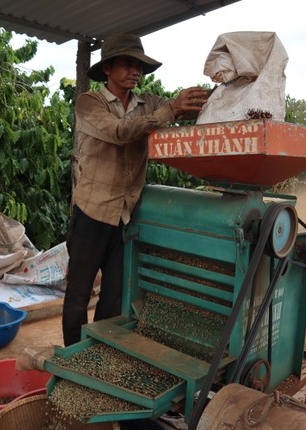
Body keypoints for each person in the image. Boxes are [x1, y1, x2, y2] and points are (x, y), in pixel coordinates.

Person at [62, 33, 209, 346]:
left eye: (139, 65)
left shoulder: (148, 104)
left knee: (113, 297)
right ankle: (72, 356)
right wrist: (171, 111)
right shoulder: (90, 103)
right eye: (128, 64)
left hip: (124, 217)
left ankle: (96, 352)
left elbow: (181, 108)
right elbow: (120, 132)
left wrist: (222, 93)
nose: (135, 71)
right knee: (78, 295)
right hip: (92, 213)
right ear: (108, 69)